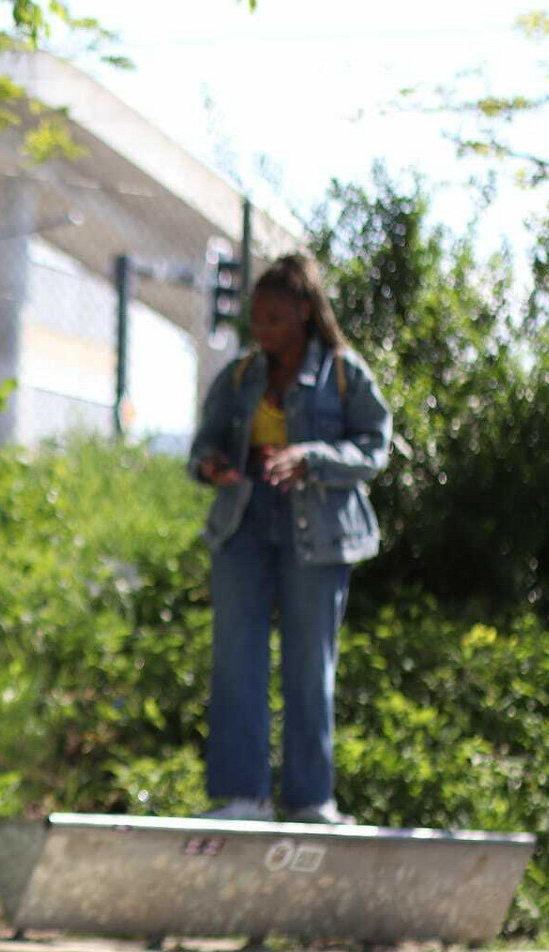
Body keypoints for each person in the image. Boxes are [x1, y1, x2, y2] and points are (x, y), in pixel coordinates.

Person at [188, 253, 392, 824]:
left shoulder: (344, 373)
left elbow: (373, 448)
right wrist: (211, 465)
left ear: (304, 311)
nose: (262, 328)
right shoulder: (240, 375)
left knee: (309, 665)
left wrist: (312, 458)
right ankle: (242, 799)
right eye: (257, 317)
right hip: (243, 524)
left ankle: (310, 801)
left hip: (319, 533)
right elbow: (203, 444)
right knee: (237, 660)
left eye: (274, 317)